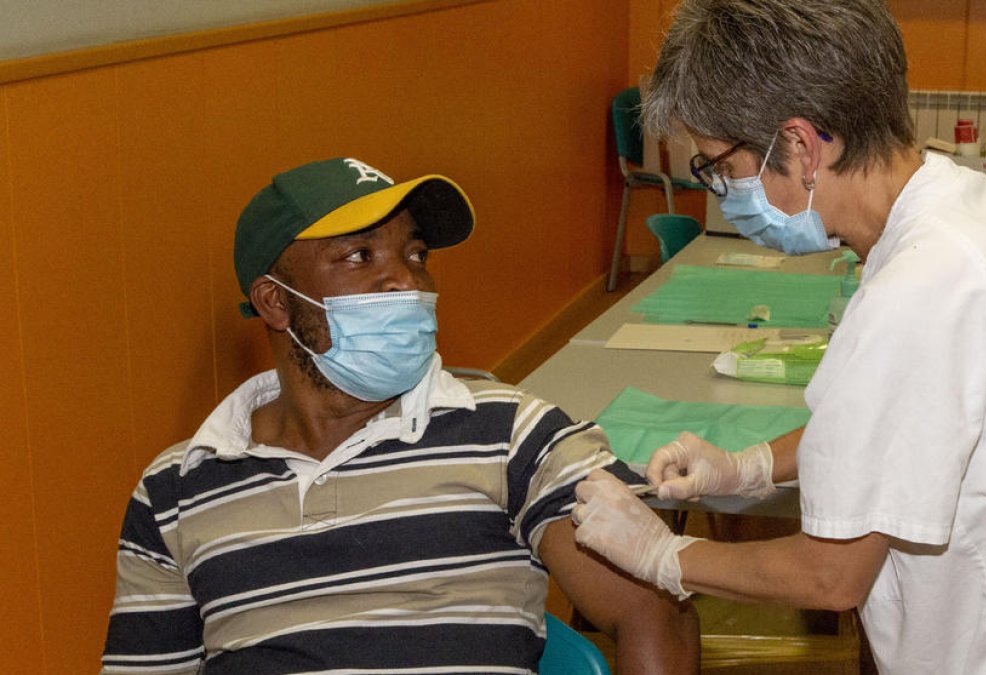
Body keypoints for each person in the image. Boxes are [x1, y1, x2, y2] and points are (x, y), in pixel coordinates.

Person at [570, 1, 986, 673]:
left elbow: (829, 576)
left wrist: (661, 555)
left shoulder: (925, 285)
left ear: (802, 147)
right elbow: (898, 429)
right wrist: (750, 464)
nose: (721, 190)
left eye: (719, 167)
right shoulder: (963, 201)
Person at [101, 157, 698, 674]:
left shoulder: (513, 435)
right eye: (360, 256)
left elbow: (653, 609)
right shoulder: (176, 489)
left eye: (414, 254)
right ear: (275, 301)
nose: (404, 280)